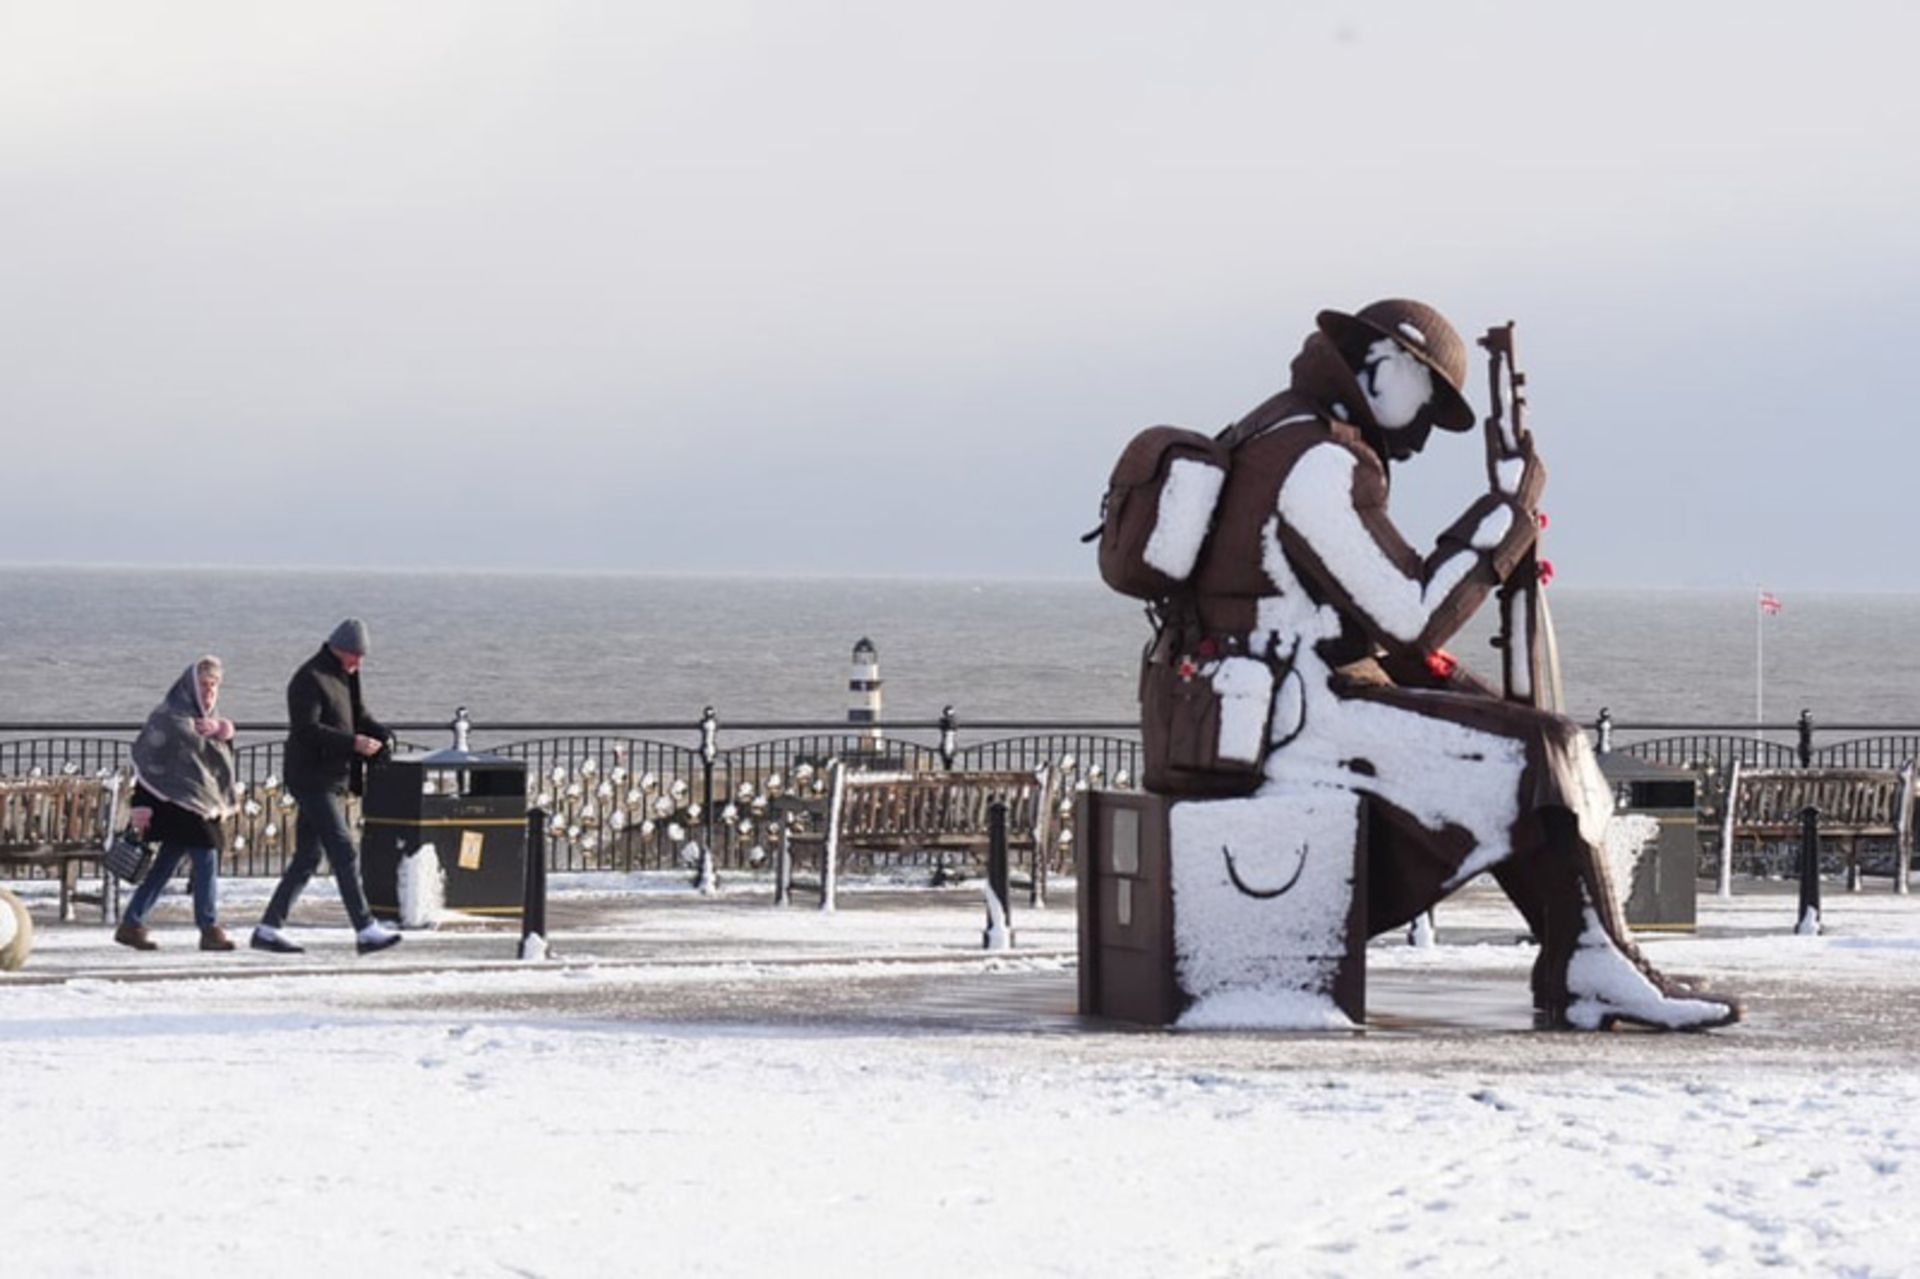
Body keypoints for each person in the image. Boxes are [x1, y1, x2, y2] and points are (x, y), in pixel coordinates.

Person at [1181, 298, 1738, 1030]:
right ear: (1386, 365)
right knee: (1546, 747)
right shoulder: (1317, 461)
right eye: (1428, 398)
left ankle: (1587, 958)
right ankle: (1589, 964)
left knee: (1525, 741)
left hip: (1260, 703)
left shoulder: (1275, 430)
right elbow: (1409, 615)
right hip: (1293, 718)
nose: (1421, 432)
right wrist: (1506, 510)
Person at [250, 619, 402, 956]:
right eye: (355, 655)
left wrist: (381, 734)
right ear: (339, 649)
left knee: (308, 857)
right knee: (343, 850)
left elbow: (358, 715)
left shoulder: (346, 675)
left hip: (332, 778)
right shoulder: (309, 678)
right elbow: (306, 730)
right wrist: (353, 743)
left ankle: (268, 929)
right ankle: (365, 928)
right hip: (310, 778)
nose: (359, 662)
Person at [116, 656, 240, 952]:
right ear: (190, 686)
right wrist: (140, 805)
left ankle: (131, 922)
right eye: (204, 685)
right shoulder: (168, 717)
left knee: (166, 865)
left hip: (200, 803)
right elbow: (148, 760)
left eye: (214, 685)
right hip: (174, 802)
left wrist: (222, 732)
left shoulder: (208, 721)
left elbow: (214, 763)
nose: (209, 691)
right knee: (206, 857)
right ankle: (209, 927)